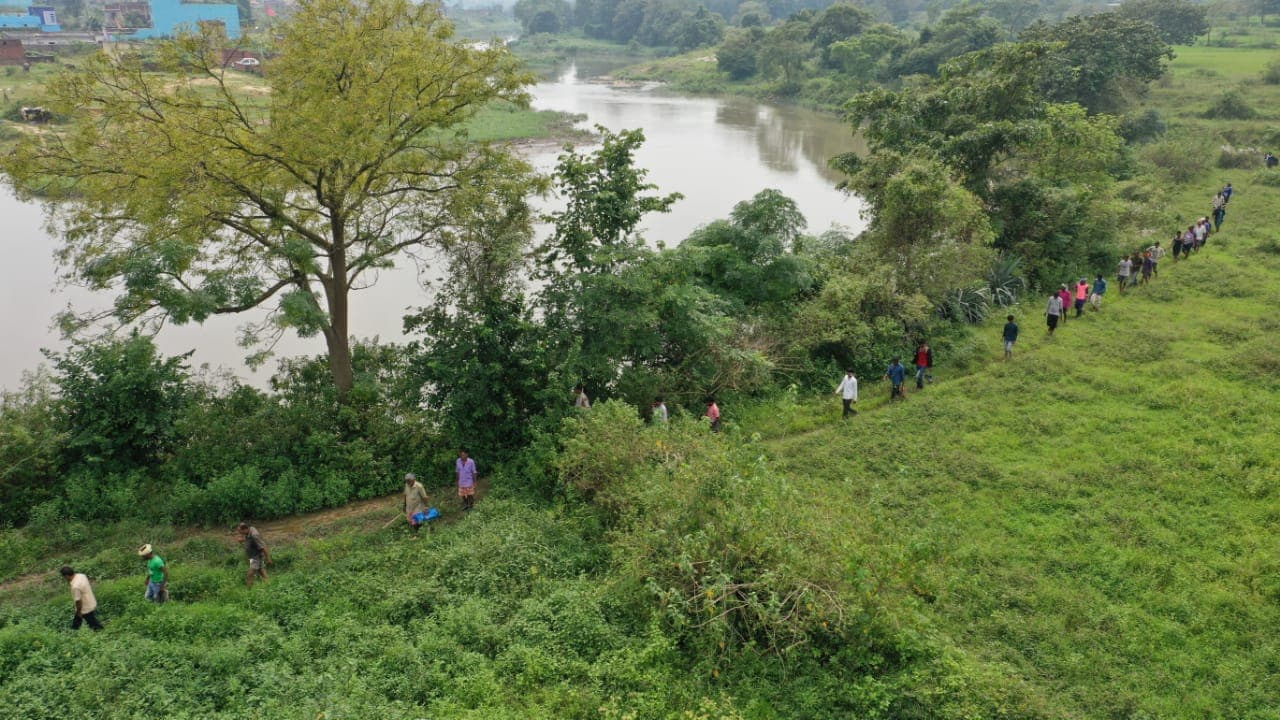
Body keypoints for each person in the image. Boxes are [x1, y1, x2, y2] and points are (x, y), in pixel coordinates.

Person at [61, 566, 103, 631]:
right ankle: (74, 630)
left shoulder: (75, 586)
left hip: (85, 607)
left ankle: (101, 631)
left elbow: (78, 601)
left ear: (66, 576)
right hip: (91, 600)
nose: (65, 579)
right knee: (78, 619)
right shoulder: (81, 575)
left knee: (93, 623)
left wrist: (79, 612)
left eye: (64, 577)